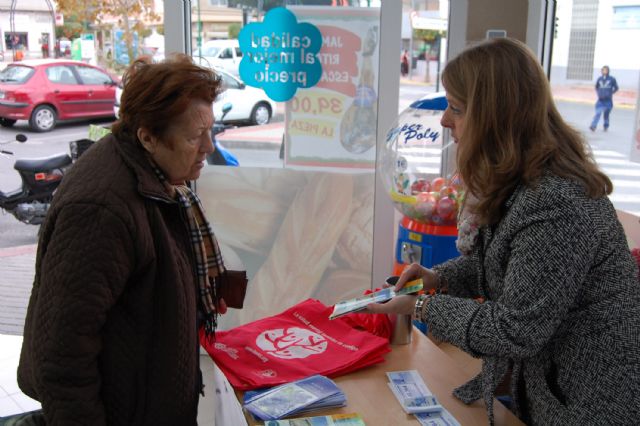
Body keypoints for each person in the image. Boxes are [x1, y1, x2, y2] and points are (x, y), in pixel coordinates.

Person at [366, 38, 640, 425]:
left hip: (589, 404)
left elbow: (515, 329)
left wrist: (422, 305)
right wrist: (437, 279)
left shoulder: (557, 203)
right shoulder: (525, 180)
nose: (445, 120)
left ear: (495, 118)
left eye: (456, 108)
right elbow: (499, 263)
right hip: (551, 390)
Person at [17, 54, 230, 424]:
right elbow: (61, 357)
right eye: (196, 136)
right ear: (148, 136)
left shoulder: (155, 178)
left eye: (211, 131)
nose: (208, 147)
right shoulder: (102, 210)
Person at [590, 65, 619, 132]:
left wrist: (611, 93)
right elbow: (596, 87)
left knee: (606, 115)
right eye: (603, 70)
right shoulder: (599, 79)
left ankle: (606, 125)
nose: (604, 71)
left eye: (606, 70)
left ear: (608, 71)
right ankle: (593, 126)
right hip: (600, 101)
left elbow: (616, 88)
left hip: (608, 101)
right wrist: (599, 93)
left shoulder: (612, 79)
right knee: (598, 113)